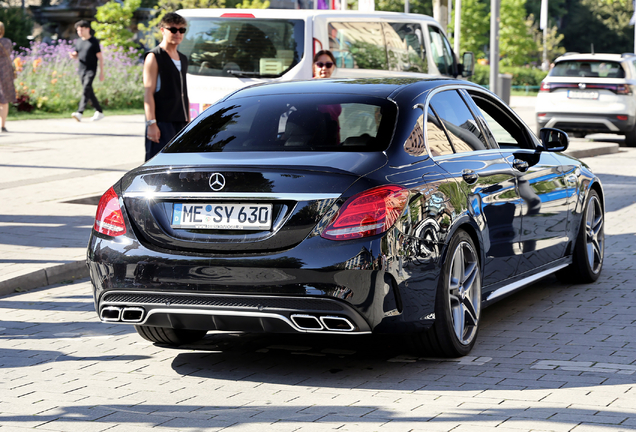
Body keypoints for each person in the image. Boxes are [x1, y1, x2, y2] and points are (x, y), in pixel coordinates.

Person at [143, 12, 190, 161]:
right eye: (173, 30)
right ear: (162, 30)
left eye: (182, 30)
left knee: (179, 164)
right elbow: (148, 92)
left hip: (180, 122)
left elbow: (183, 92)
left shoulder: (183, 58)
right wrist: (151, 123)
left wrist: (188, 122)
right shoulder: (154, 56)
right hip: (162, 122)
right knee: (157, 165)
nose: (178, 34)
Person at [69, 20, 105, 122]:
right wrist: (73, 55)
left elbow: (100, 58)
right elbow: (77, 54)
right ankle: (99, 111)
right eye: (78, 30)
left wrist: (102, 73)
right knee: (89, 91)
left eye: (81, 30)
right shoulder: (79, 41)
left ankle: (80, 112)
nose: (79, 32)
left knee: (86, 88)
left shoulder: (94, 42)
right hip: (81, 70)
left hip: (91, 70)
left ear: (87, 29)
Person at [0, 22, 16, 132]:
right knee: (4, 99)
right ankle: (3, 125)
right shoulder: (7, 42)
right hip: (6, 70)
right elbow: (10, 52)